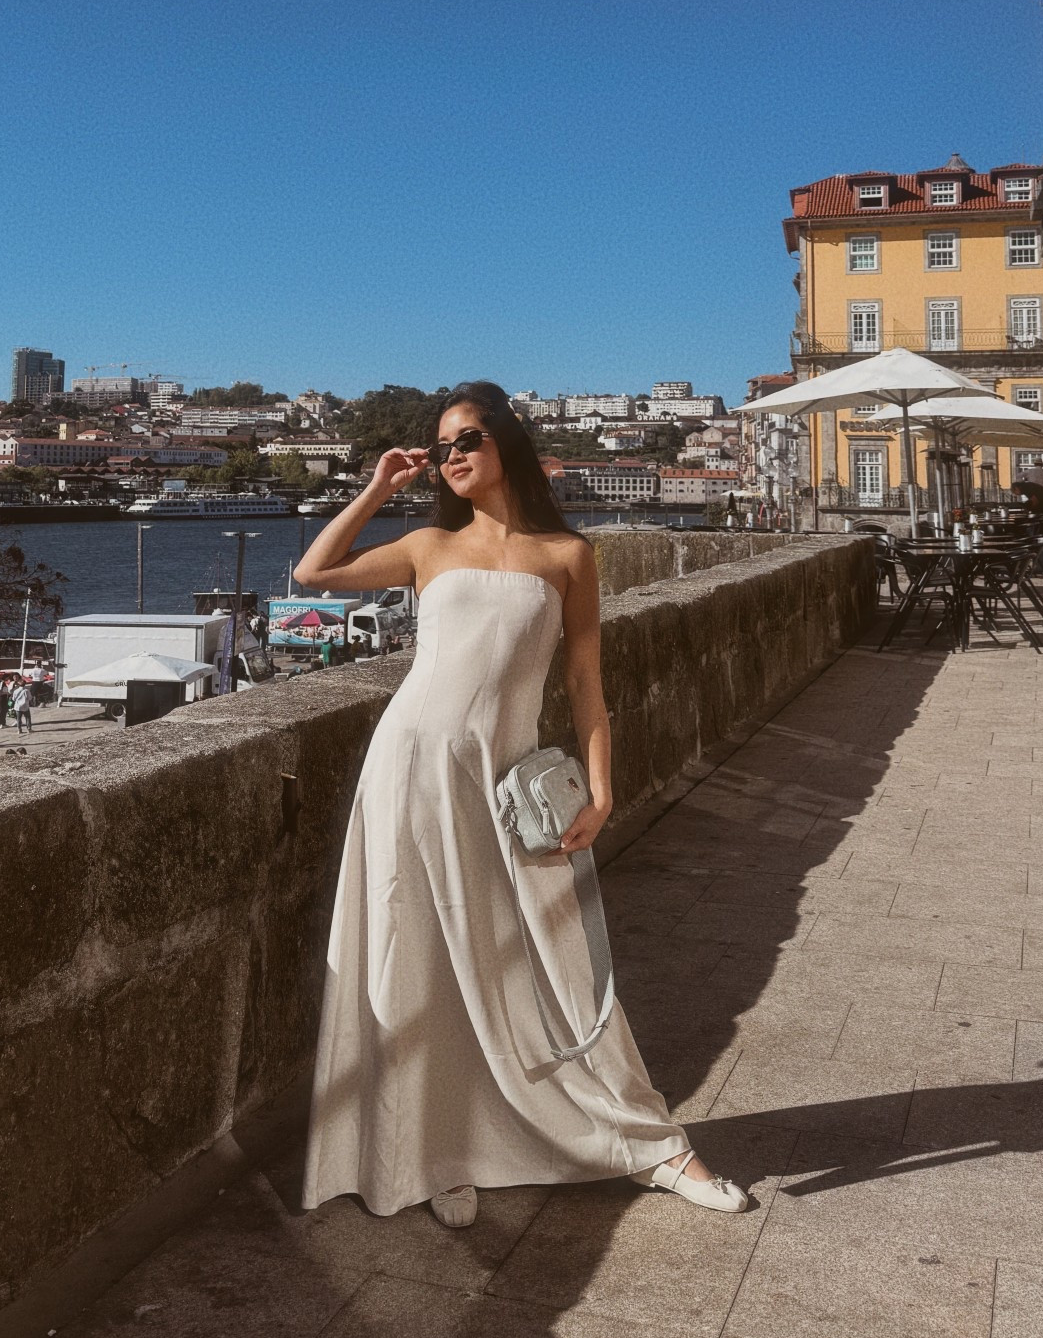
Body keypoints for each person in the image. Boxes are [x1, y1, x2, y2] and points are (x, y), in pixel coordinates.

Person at [298, 380, 749, 1233]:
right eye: (441, 448)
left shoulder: (567, 557)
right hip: (407, 768)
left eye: (467, 438)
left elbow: (585, 683)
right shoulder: (429, 544)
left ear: (506, 442)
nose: (453, 456)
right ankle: (435, 1153)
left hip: (504, 783)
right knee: (414, 952)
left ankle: (658, 1147)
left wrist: (604, 786)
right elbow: (313, 571)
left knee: (559, 960)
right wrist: (378, 489)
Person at [1014, 477, 1043, 571]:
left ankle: (1034, 553)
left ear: (1016, 488)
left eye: (1014, 492)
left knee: (1039, 529)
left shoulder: (1026, 488)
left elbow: (1035, 501)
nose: (1015, 494)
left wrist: (1029, 510)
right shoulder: (1027, 486)